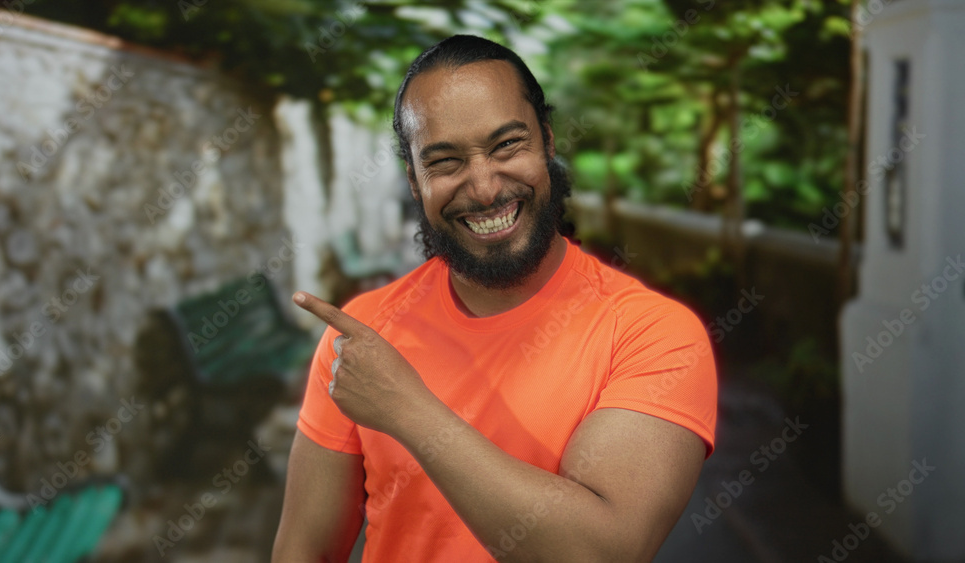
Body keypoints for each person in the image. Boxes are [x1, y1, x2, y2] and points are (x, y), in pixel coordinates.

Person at [272, 35, 717, 562]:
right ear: (414, 182)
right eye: (445, 162)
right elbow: (303, 550)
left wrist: (406, 409)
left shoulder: (653, 333)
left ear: (548, 143)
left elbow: (603, 552)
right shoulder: (362, 334)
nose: (484, 187)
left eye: (507, 145)